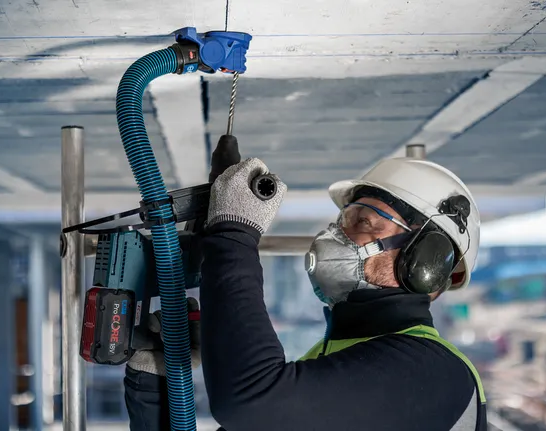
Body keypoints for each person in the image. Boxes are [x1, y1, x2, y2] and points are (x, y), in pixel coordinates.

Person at [125, 156, 486, 431]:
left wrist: (233, 234)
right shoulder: (335, 361)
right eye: (342, 221)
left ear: (427, 263)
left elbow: (250, 402)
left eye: (363, 222)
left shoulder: (434, 372)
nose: (335, 237)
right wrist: (156, 384)